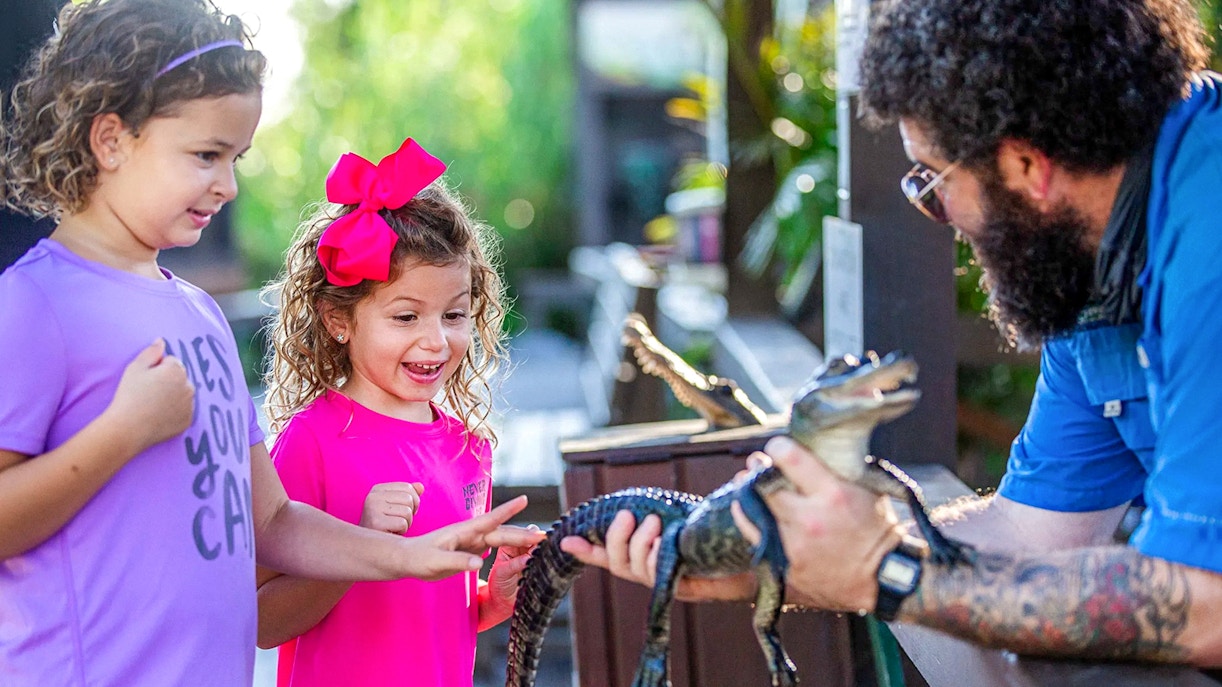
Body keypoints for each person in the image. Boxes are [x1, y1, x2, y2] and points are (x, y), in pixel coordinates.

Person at [562, 0, 1222, 668]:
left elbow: (1204, 604)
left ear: (1026, 164)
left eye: (931, 181)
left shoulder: (1208, 245)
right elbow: (1033, 530)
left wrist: (889, 571)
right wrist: (784, 552)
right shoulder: (1094, 257)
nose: (940, 217)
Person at [0, 2, 542, 685]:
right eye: (205, 155)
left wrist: (415, 554)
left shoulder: (199, 317)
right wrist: (124, 430)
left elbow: (276, 521)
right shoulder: (34, 304)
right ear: (111, 140)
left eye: (236, 158)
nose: (227, 185)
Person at [255, 137, 536, 686]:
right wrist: (360, 544)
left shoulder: (469, 446)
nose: (436, 341)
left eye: (454, 315)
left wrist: (495, 599)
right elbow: (264, 621)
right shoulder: (311, 440)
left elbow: (437, 617)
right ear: (339, 319)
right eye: (406, 317)